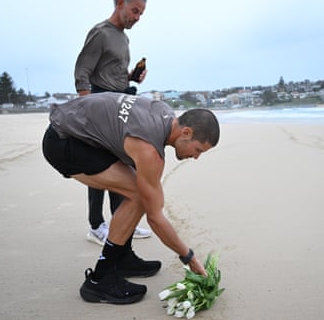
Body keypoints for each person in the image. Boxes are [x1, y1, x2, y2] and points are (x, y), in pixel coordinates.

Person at [42, 92, 220, 304]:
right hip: (64, 142)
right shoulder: (148, 149)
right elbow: (155, 217)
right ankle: (99, 280)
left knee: (135, 185)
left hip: (78, 130)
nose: (196, 157)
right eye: (198, 149)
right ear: (186, 132)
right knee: (138, 195)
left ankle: (122, 258)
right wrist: (189, 258)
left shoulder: (164, 113)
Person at [74, 0, 151, 245]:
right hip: (100, 105)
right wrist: (88, 110)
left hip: (120, 104)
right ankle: (96, 225)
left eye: (141, 13)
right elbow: (82, 72)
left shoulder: (123, 37)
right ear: (120, 3)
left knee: (122, 164)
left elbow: (113, 73)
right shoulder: (101, 32)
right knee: (100, 167)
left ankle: (121, 221)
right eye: (134, 10)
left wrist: (133, 77)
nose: (137, 17)